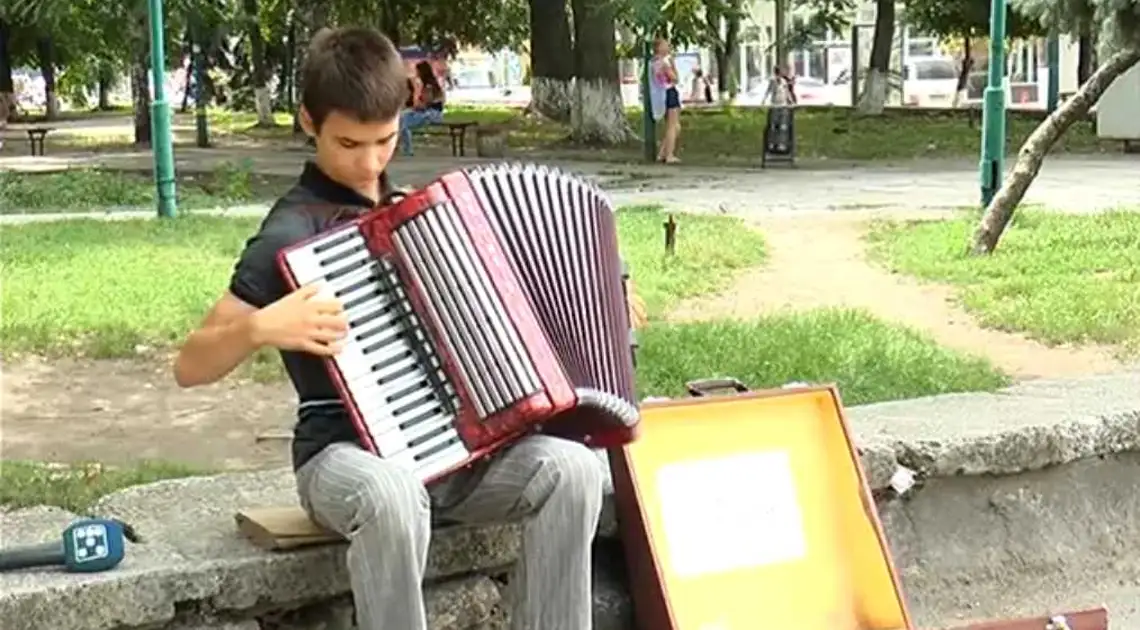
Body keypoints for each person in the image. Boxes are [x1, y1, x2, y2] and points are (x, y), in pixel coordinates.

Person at [172, 25, 644, 630]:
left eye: (385, 141)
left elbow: (512, 316)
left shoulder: (430, 219)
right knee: (391, 493)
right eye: (349, 143)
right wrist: (261, 326)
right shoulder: (288, 234)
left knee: (574, 469)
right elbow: (190, 366)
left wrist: (609, 300)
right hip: (343, 460)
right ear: (308, 122)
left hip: (457, 459)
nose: (369, 163)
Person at [398, 60, 446, 156]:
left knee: (403, 122)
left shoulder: (429, 86)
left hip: (432, 114)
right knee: (402, 119)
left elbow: (423, 104)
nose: (416, 74)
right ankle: (406, 148)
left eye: (417, 71)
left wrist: (415, 102)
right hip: (428, 112)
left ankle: (408, 149)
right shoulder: (428, 84)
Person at [649, 38, 682, 164]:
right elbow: (675, 78)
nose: (668, 47)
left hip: (661, 94)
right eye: (666, 45)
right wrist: (673, 64)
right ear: (659, 48)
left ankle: (662, 153)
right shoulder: (664, 63)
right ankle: (669, 155)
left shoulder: (653, 62)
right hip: (669, 91)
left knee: (675, 126)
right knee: (673, 126)